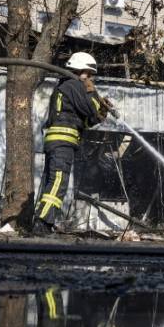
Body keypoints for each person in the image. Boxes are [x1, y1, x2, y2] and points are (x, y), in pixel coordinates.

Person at [33, 52, 112, 235]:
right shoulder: (75, 85)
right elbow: (90, 107)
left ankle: (44, 220)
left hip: (59, 140)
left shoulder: (66, 86)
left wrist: (100, 114)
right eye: (89, 74)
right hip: (63, 140)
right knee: (58, 181)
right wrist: (92, 92)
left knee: (52, 182)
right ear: (83, 71)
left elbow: (85, 119)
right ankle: (42, 223)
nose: (90, 79)